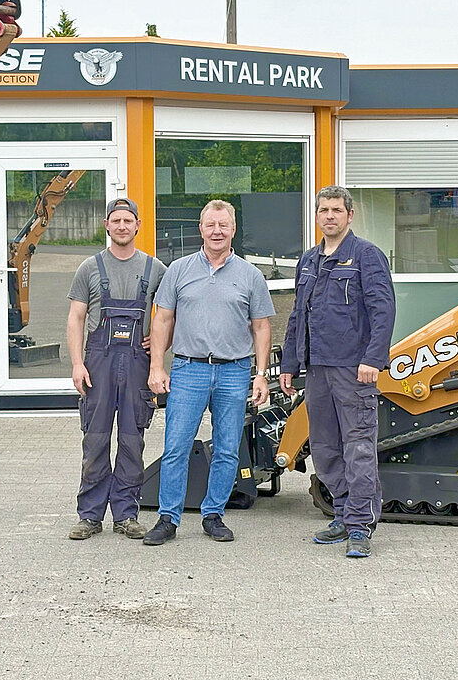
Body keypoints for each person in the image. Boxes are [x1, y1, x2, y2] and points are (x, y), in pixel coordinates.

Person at [143, 199, 274, 546]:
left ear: (233, 229)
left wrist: (261, 374)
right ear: (201, 229)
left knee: (228, 449)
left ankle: (213, 514)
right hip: (189, 369)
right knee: (176, 446)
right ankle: (168, 518)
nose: (217, 231)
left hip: (234, 371)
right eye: (211, 225)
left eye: (223, 225)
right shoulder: (179, 270)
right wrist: (157, 366)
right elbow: (162, 320)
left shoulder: (250, 275)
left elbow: (261, 327)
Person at [279, 185, 395, 558]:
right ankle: (343, 514)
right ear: (316, 216)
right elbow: (298, 315)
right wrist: (289, 364)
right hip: (317, 369)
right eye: (324, 210)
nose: (330, 216)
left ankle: (360, 526)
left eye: (336, 210)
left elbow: (383, 311)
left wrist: (373, 359)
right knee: (325, 448)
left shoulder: (366, 256)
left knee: (358, 447)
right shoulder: (309, 260)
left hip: (353, 369)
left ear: (349, 215)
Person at [66, 197, 166, 541]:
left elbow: (169, 316)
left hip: (137, 366)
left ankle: (126, 514)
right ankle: (90, 516)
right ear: (106, 225)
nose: (122, 226)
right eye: (116, 220)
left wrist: (161, 346)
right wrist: (77, 363)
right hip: (98, 364)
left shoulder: (155, 269)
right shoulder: (89, 268)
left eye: (128, 220)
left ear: (138, 225)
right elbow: (76, 318)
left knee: (131, 441)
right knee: (95, 440)